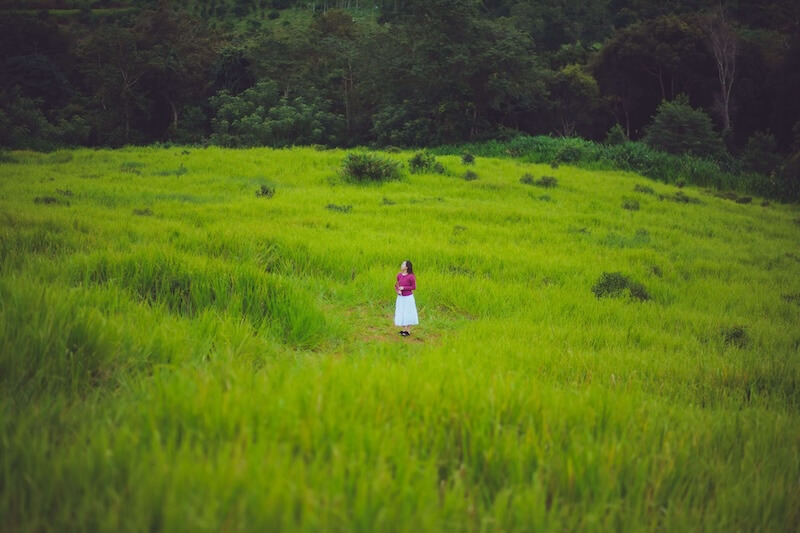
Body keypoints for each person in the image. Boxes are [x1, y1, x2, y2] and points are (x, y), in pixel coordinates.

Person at [394, 260, 418, 337]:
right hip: (401, 298)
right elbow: (396, 285)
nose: (401, 265)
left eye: (403, 264)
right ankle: (403, 330)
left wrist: (404, 288)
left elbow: (413, 287)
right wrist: (398, 291)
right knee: (401, 312)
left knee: (408, 312)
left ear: (407, 267)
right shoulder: (399, 275)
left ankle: (408, 330)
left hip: (408, 298)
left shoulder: (411, 276)